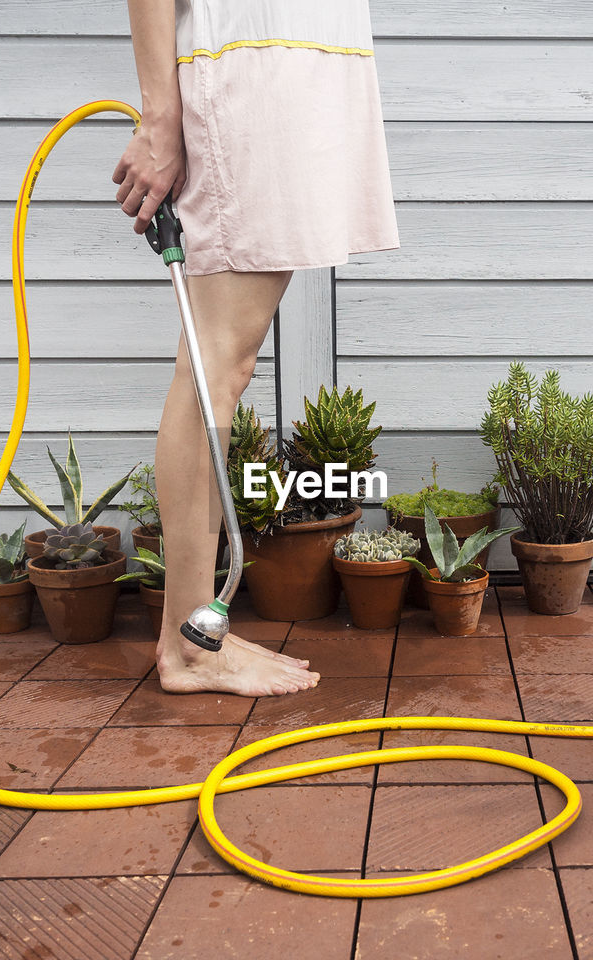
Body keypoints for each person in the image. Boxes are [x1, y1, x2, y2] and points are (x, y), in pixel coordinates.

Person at [112, 0, 399, 697]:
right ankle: (189, 646)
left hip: (300, 73)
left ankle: (194, 635)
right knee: (217, 366)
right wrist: (161, 117)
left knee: (216, 365)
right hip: (250, 73)